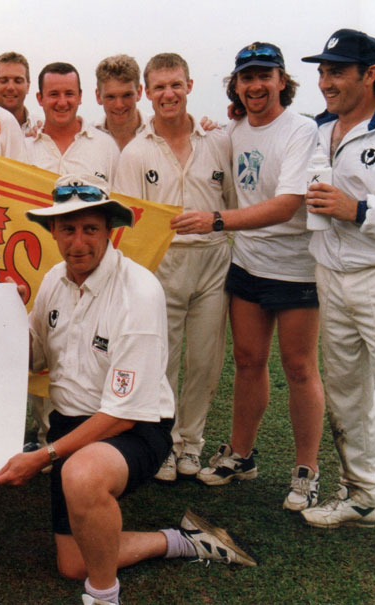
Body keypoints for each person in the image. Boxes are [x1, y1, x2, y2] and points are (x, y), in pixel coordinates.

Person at [0, 174, 254, 605]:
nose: (79, 242)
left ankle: (103, 596)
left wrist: (42, 456)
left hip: (135, 428)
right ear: (53, 232)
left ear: (110, 230)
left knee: (81, 474)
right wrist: (2, 313)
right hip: (71, 425)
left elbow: (124, 413)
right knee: (73, 563)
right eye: (68, 229)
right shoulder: (55, 281)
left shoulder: (139, 290)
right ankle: (178, 540)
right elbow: (34, 359)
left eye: (90, 228)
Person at [174, 43, 324, 511]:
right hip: (249, 262)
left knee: (298, 368)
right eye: (247, 77)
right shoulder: (234, 130)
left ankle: (306, 470)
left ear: (282, 81)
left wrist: (217, 220)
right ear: (236, 86)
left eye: (265, 76)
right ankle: (241, 453)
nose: (256, 85)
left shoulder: (301, 130)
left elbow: (288, 203)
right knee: (247, 360)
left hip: (296, 265)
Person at [298, 29, 375, 576]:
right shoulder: (321, 129)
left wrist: (358, 210)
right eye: (322, 70)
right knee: (346, 392)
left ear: (370, 74)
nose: (325, 81)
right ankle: (361, 495)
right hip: (330, 276)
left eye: (338, 71)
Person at [115, 53, 235, 481]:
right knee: (160, 358)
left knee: (204, 360)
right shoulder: (135, 151)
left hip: (212, 258)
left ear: (189, 85)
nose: (168, 94)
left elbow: (233, 205)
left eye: (176, 85)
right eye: (159, 87)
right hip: (161, 263)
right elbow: (128, 223)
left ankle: (191, 444)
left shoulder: (218, 141)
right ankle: (163, 444)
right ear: (147, 93)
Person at [27, 62, 118, 181]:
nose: (62, 102)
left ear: (80, 97)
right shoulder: (25, 148)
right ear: (40, 98)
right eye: (54, 94)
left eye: (69, 94)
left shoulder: (106, 147)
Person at [94, 54, 146, 152]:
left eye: (127, 95)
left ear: (139, 92)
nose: (119, 105)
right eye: (110, 97)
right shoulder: (87, 138)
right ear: (98, 96)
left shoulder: (158, 133)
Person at [0, 51, 32, 131]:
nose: (10, 87)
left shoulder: (41, 130)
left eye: (18, 81)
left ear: (28, 86)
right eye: (3, 81)